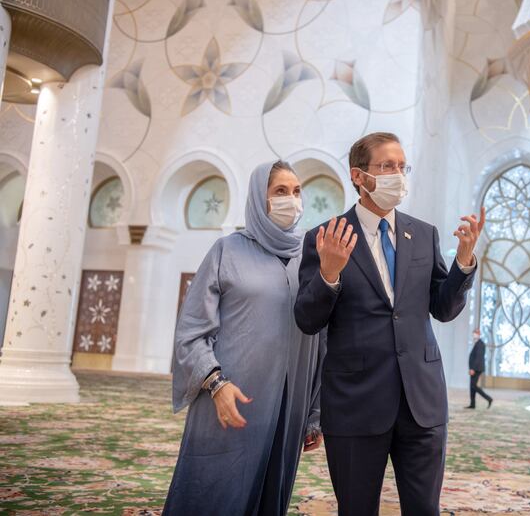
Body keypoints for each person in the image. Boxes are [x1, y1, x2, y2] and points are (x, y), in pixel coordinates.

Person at [294, 132, 485, 516]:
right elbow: (307, 319)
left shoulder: (423, 234)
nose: (398, 175)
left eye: (402, 166)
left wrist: (464, 265)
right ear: (359, 176)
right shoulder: (326, 237)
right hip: (356, 403)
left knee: (424, 509)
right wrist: (329, 275)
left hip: (422, 402)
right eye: (387, 166)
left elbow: (443, 308)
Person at [164, 161, 324, 516]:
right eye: (280, 191)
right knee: (215, 493)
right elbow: (191, 331)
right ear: (258, 198)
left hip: (288, 408)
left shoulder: (311, 257)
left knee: (270, 497)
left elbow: (321, 341)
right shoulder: (228, 251)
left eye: (297, 191)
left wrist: (314, 414)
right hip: (230, 400)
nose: (292, 200)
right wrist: (217, 384)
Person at [465, 329, 492, 409]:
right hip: (475, 368)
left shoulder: (480, 344)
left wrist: (472, 369)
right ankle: (472, 404)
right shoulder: (477, 343)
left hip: (477, 368)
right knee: (472, 386)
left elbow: (478, 358)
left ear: (479, 334)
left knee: (473, 386)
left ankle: (489, 398)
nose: (474, 335)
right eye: (473, 333)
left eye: (475, 333)